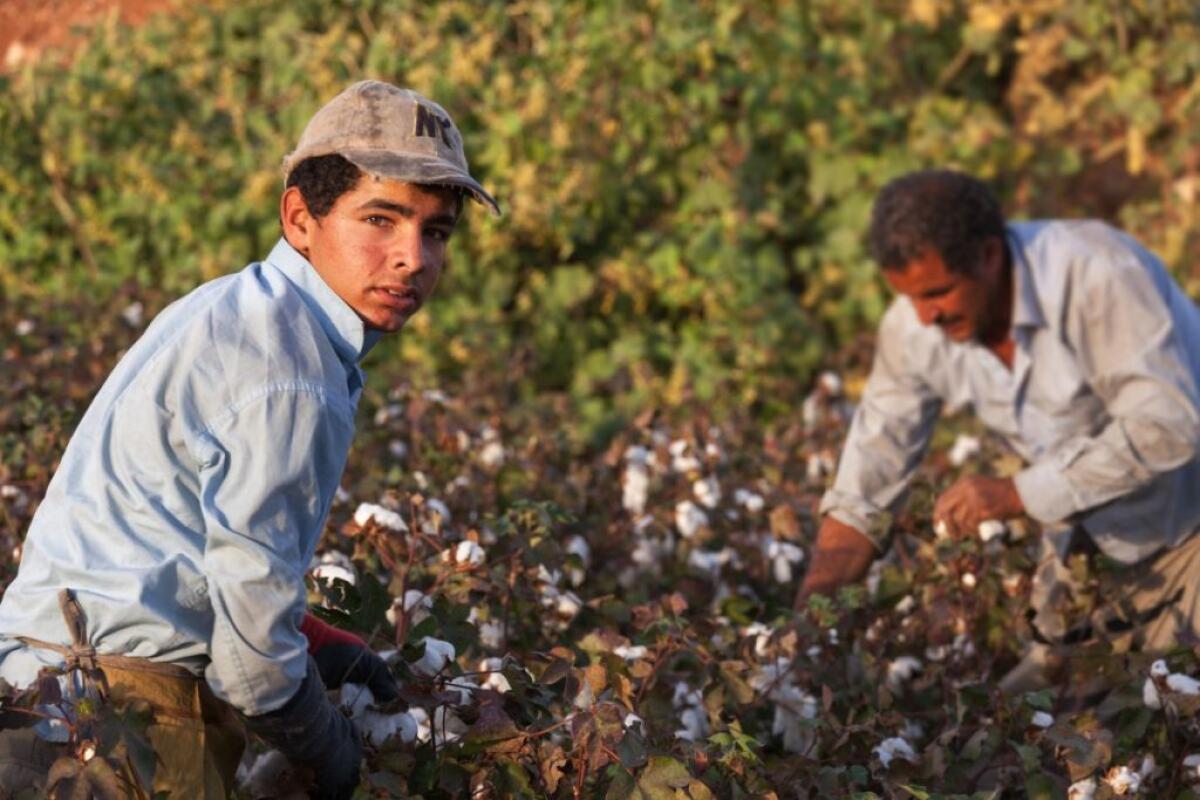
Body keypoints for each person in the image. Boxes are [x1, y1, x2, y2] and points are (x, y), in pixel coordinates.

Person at [0, 80, 499, 798]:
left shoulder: (235, 309)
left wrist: (308, 636)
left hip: (39, 698)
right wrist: (327, 749)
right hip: (126, 727)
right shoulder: (294, 376)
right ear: (300, 217)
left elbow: (176, 533)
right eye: (381, 220)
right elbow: (252, 670)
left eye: (436, 231)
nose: (412, 257)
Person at [796, 169, 1200, 693]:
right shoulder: (913, 328)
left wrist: (1016, 493)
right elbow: (863, 492)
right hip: (1091, 561)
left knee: (1165, 735)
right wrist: (802, 640)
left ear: (989, 256)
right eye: (910, 297)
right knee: (1022, 734)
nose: (926, 317)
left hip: (1191, 530)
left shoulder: (1096, 273)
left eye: (938, 293)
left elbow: (1168, 423)